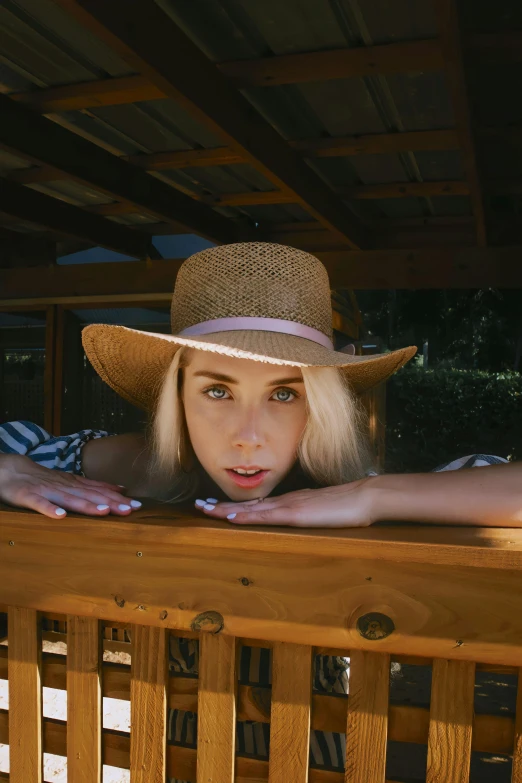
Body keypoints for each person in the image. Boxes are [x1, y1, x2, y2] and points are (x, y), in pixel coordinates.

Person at [0, 242, 516, 777]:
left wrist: (374, 496)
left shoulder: (348, 492)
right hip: (176, 760)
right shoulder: (114, 465)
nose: (248, 437)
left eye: (285, 395)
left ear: (321, 403)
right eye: (218, 392)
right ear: (176, 397)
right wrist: (6, 468)